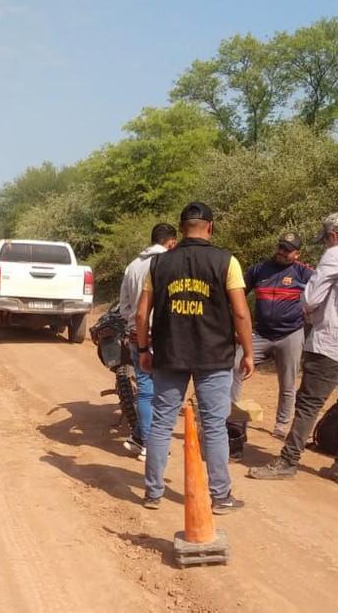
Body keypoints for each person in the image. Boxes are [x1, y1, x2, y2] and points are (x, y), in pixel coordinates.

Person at [249, 213, 338, 487]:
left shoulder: (336, 255)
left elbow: (310, 298)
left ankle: (288, 461)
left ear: (334, 236)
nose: (326, 245)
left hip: (332, 341)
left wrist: (312, 311)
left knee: (308, 404)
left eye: (326, 240)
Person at [136, 202, 255, 514]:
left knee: (161, 423)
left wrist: (143, 350)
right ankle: (220, 496)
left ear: (181, 228)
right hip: (214, 356)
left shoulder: (158, 264)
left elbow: (141, 314)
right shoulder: (226, 261)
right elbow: (241, 313)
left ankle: (153, 493)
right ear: (210, 227)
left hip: (170, 354)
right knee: (214, 426)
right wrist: (248, 352)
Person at [236, 232, 313, 439]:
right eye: (281, 247)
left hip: (291, 334)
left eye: (288, 250)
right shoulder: (259, 269)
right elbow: (238, 295)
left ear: (297, 254)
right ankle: (231, 415)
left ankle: (282, 425)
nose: (282, 252)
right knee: (234, 367)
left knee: (288, 383)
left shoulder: (304, 273)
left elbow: (320, 296)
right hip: (260, 333)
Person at [118, 222, 178, 460]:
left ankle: (138, 438)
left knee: (146, 389)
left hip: (137, 333)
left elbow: (124, 306)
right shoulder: (170, 263)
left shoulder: (133, 266)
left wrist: (135, 323)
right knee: (162, 391)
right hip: (163, 335)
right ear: (171, 242)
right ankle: (149, 445)